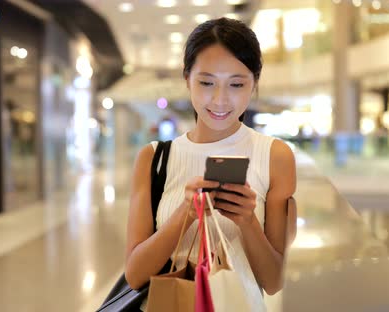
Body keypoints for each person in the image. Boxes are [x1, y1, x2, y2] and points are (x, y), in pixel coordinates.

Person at [125, 18, 297, 310]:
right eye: (206, 82)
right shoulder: (155, 158)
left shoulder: (275, 156)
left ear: (254, 83)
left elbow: (273, 281)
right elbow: (135, 274)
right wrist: (186, 213)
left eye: (236, 84)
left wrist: (247, 220)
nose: (220, 100)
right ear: (187, 78)